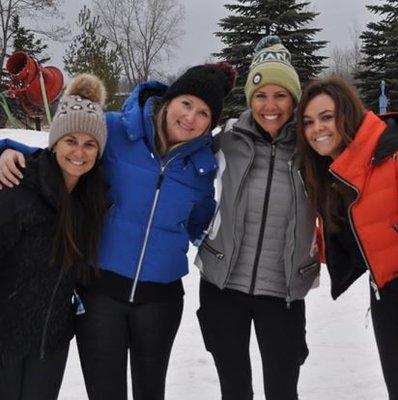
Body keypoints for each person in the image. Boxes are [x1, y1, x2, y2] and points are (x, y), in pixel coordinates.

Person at [0, 63, 236, 400]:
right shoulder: (115, 131)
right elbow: (62, 154)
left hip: (160, 300)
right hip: (100, 295)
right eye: (186, 103)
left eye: (203, 113)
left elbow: (202, 224)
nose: (191, 117)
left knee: (150, 392)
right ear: (169, 101)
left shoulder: (202, 169)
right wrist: (6, 148)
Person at [195, 36, 319, 400]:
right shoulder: (227, 138)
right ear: (250, 97)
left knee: (282, 392)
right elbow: (172, 149)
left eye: (281, 95)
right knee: (234, 391)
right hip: (223, 286)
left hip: (282, 292)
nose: (270, 106)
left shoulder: (311, 148)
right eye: (261, 94)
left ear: (294, 99)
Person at [0, 73, 107, 400]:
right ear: (55, 142)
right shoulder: (19, 187)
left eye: (90, 144)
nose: (80, 152)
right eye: (70, 141)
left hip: (51, 344)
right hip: (5, 341)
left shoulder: (92, 201)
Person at [297, 75, 398, 400]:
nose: (318, 129)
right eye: (309, 122)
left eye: (326, 117)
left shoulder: (391, 153)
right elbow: (352, 239)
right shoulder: (336, 175)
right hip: (385, 297)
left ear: (347, 114)